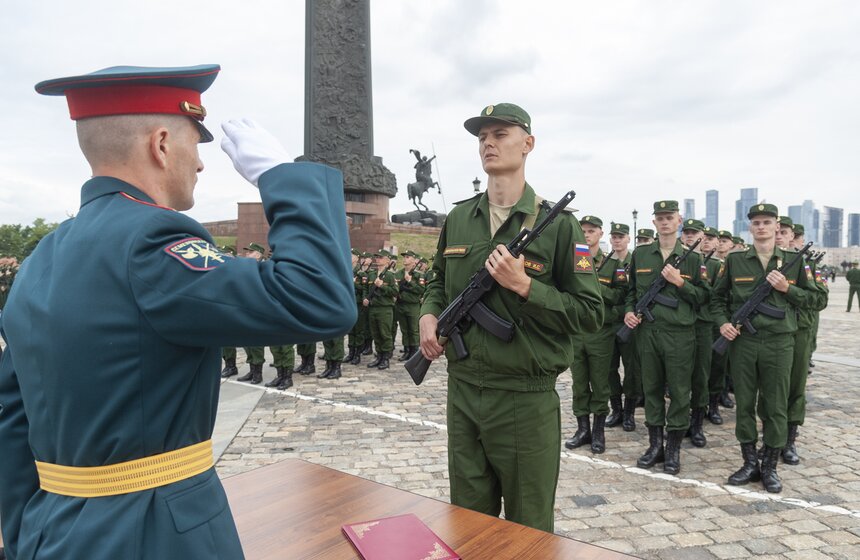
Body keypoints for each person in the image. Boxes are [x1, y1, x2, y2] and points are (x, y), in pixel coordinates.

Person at [0, 64, 355, 559]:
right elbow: (318, 298)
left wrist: (24, 536)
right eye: (196, 144)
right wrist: (285, 178)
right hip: (154, 533)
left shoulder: (41, 259)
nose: (201, 165)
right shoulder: (152, 241)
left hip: (51, 528)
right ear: (162, 144)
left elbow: (13, 420)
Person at [420, 103, 602, 532]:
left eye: (500, 134)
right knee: (467, 522)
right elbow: (436, 283)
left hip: (525, 397)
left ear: (528, 144)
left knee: (529, 532)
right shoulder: (460, 218)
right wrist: (428, 317)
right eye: (482, 136)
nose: (488, 143)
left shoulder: (558, 227)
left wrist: (526, 287)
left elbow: (590, 313)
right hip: (463, 394)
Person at [712, 204, 816, 493]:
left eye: (766, 222)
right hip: (743, 343)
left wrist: (787, 288)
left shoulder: (795, 261)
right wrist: (723, 324)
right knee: (745, 404)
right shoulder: (734, 261)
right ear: (750, 227)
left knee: (775, 406)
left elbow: (815, 300)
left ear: (776, 225)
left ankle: (769, 465)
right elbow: (716, 300)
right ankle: (749, 463)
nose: (761, 227)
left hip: (779, 344)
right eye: (756, 222)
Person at [623, 201, 707, 475]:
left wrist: (681, 283)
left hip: (680, 335)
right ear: (654, 222)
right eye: (659, 218)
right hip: (648, 333)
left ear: (679, 220)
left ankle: (673, 449)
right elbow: (632, 291)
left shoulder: (693, 258)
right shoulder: (642, 254)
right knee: (652, 389)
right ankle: (654, 445)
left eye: (669, 217)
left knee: (680, 392)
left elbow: (704, 297)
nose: (664, 222)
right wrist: (628, 312)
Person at [565, 215, 626, 454]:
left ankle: (598, 431)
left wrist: (593, 285)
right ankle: (583, 430)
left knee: (601, 384)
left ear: (601, 234)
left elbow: (620, 296)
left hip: (601, 332)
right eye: (584, 231)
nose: (587, 235)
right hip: (576, 331)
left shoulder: (613, 264)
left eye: (592, 231)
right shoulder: (571, 261)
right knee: (579, 384)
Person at [606, 223, 638, 431]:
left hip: (629, 322)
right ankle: (616, 409)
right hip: (609, 323)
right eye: (614, 237)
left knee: (632, 369)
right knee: (609, 369)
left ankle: (629, 412)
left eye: (621, 237)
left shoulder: (635, 261)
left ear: (628, 239)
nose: (617, 240)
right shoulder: (605, 262)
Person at [364, 250, 398, 369]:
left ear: (387, 260)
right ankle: (378, 356)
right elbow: (366, 289)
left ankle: (385, 358)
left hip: (384, 309)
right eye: (376, 257)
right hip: (373, 308)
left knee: (385, 334)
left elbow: (395, 292)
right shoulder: (372, 274)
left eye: (380, 257)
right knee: (376, 334)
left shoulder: (389, 275)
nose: (377, 259)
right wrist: (365, 298)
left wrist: (382, 286)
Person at [395, 250, 424, 361]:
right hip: (401, 305)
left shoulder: (418, 275)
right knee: (404, 330)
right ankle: (406, 351)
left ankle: (414, 351)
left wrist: (410, 281)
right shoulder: (398, 274)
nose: (405, 259)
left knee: (413, 330)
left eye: (407, 257)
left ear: (414, 260)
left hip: (412, 306)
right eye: (404, 257)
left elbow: (421, 290)